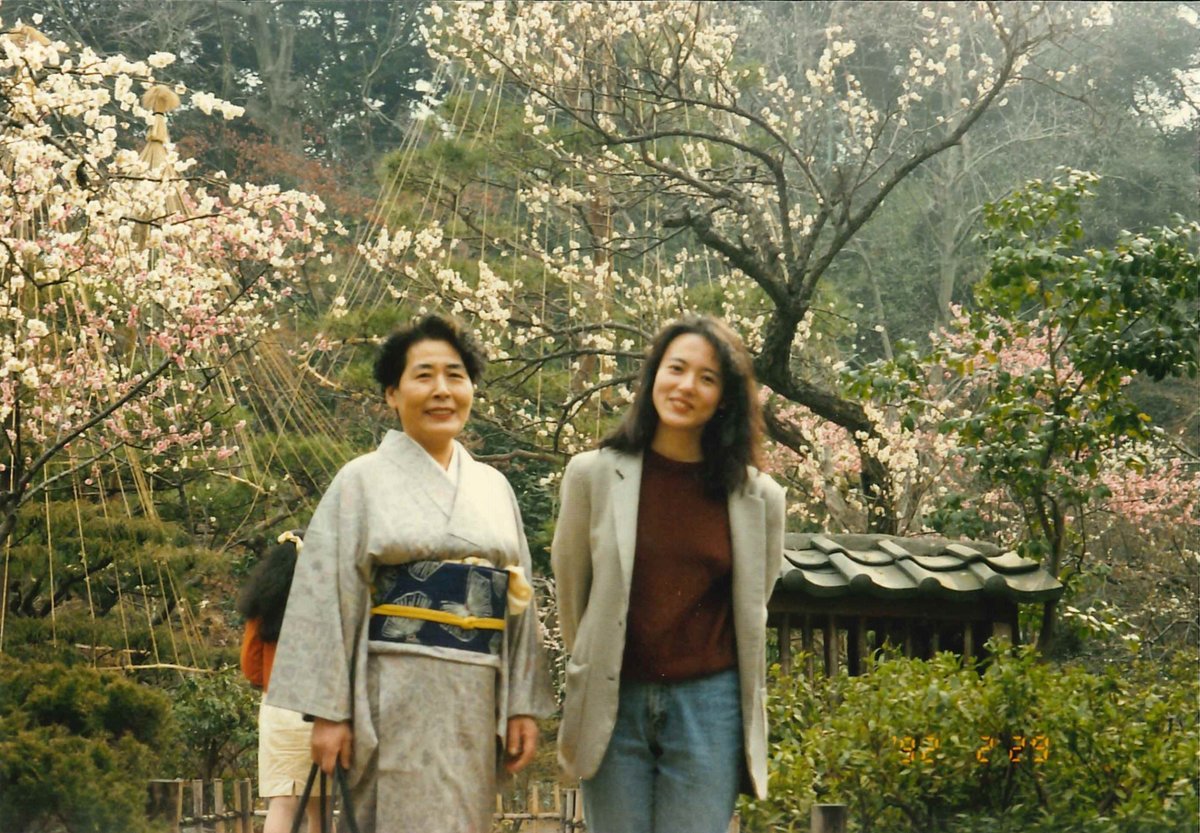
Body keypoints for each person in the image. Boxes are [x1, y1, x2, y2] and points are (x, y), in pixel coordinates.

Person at [266, 315, 554, 833]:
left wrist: (521, 706)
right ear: (392, 395)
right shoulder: (360, 481)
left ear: (471, 389)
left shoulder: (494, 487)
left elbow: (520, 604)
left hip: (475, 694)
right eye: (424, 376)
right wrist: (329, 713)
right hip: (390, 691)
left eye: (455, 375)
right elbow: (325, 597)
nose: (442, 390)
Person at [551, 315, 785, 833]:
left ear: (724, 398)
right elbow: (573, 593)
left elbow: (754, 600)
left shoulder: (758, 497)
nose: (686, 386)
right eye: (676, 368)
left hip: (709, 705)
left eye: (707, 377)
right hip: (614, 699)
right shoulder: (592, 475)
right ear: (653, 375)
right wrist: (593, 663)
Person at [238, 530, 324, 833]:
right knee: (321, 807)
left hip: (279, 707)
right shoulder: (326, 605)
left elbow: (251, 668)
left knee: (283, 803)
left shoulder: (262, 610)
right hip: (322, 709)